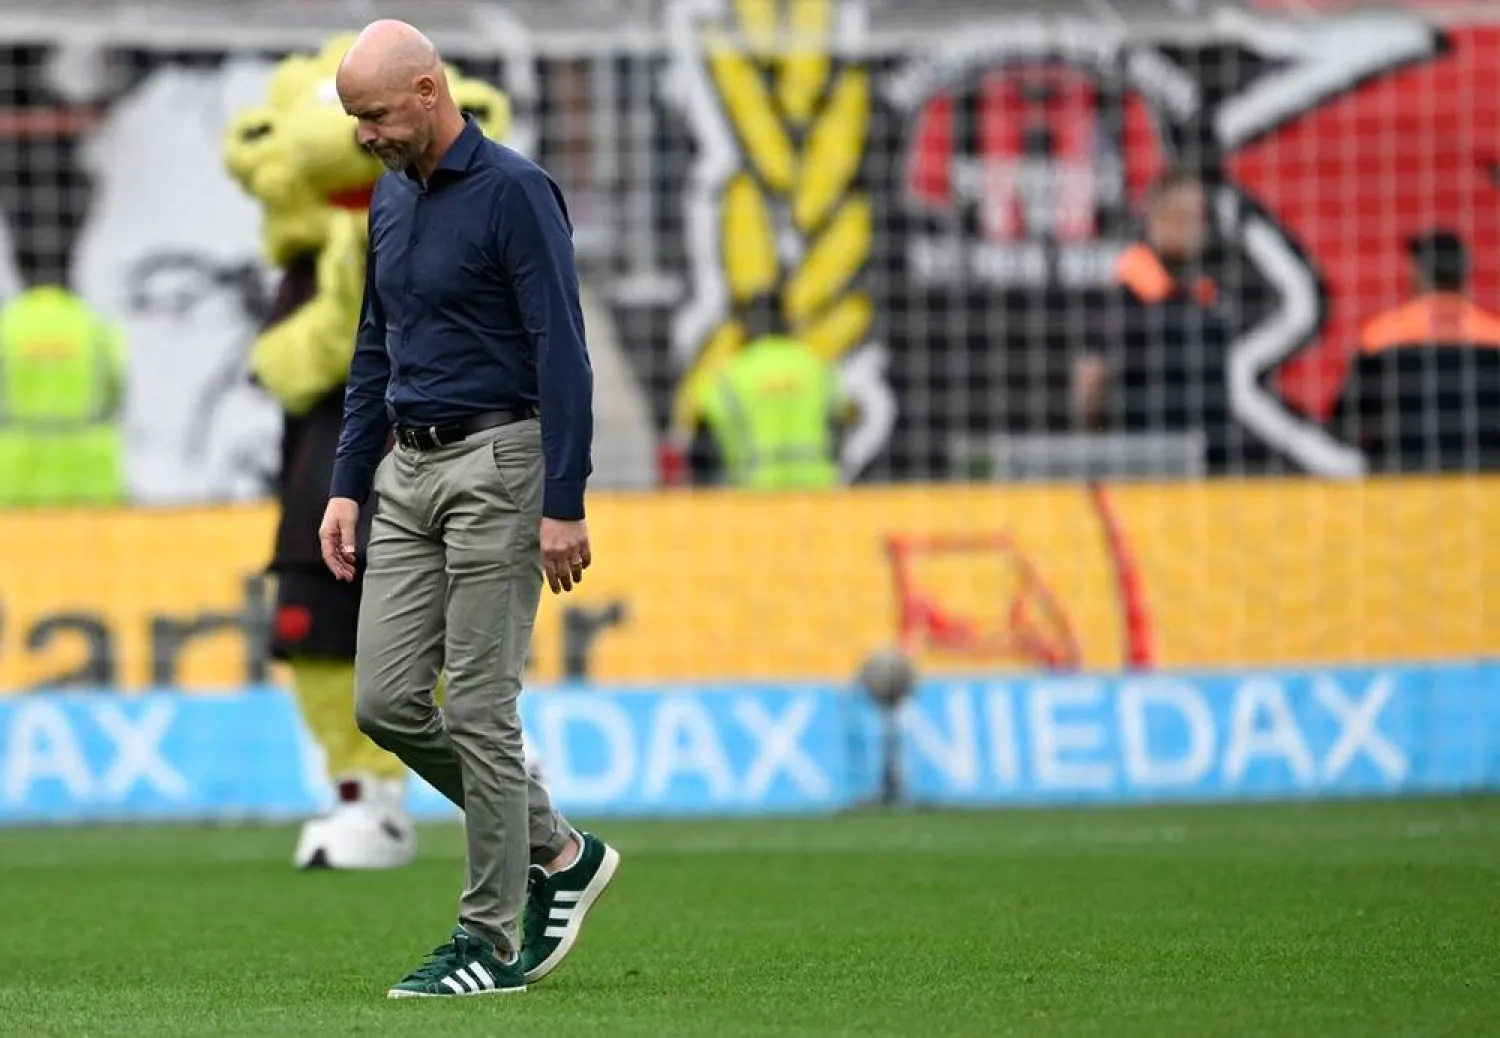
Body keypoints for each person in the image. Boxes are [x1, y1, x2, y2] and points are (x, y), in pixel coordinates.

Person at [320, 20, 618, 998]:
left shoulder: (516, 193)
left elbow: (562, 349)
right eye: (353, 119)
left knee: (484, 709)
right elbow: (375, 346)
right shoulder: (389, 202)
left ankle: (488, 939)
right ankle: (561, 851)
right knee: (385, 702)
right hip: (405, 474)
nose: (364, 134)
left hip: (501, 460)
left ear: (426, 89)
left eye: (371, 115)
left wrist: (563, 500)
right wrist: (345, 484)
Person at [1070, 169, 1242, 475]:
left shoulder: (1207, 288)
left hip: (1208, 459)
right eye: (1184, 217)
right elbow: (1091, 380)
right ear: (1158, 217)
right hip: (1143, 462)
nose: (1195, 228)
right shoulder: (1126, 290)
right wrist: (1096, 452)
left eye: (1199, 218)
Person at [1331, 229, 1500, 472]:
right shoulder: (1493, 336)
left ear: (1418, 271)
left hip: (1401, 477)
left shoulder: (1383, 336)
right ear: (1465, 272)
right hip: (1483, 477)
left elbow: (1346, 418)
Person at [690, 290, 845, 488]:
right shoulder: (817, 369)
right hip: (818, 493)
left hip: (756, 495)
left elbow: (702, 444)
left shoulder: (730, 377)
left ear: (745, 327)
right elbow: (838, 427)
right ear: (787, 323)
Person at [0, 284, 127, 507]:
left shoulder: (8, 321)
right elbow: (116, 380)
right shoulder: (93, 321)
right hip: (87, 458)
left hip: (17, 457)